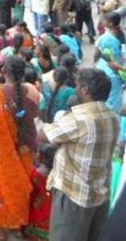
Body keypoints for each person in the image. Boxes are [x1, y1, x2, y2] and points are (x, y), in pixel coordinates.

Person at [39, 68, 119, 241]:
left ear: (85, 90)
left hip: (73, 196)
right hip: (99, 194)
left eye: (77, 85)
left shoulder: (79, 119)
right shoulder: (112, 117)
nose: (75, 88)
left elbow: (44, 135)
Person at [0, 55, 39, 240]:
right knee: (21, 188)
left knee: (1, 187)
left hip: (2, 153)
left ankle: (3, 228)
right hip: (27, 150)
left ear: (3, 71)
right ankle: (19, 226)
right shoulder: (33, 91)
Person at [94, 12, 124, 115]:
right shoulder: (121, 34)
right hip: (118, 73)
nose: (102, 22)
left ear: (110, 24)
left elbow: (96, 54)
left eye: (104, 20)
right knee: (115, 99)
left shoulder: (104, 38)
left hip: (108, 70)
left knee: (105, 97)